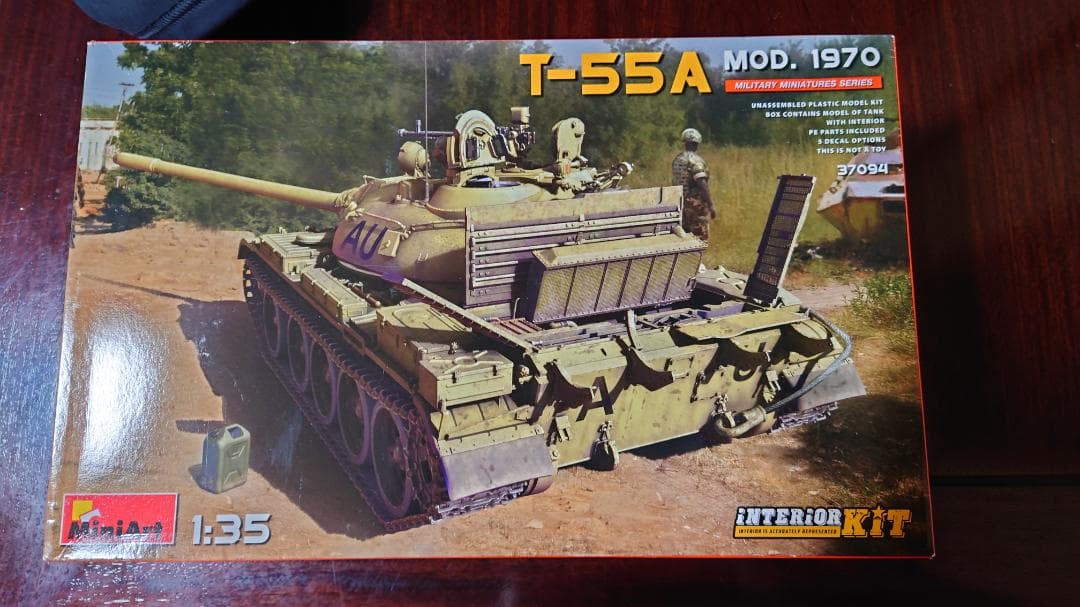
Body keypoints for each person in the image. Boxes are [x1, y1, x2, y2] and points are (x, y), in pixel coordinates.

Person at [671, 128, 716, 241]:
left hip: (680, 203)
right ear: (696, 144)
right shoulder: (696, 161)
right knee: (700, 237)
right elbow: (702, 183)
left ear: (685, 142)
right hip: (695, 205)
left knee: (684, 237)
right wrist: (711, 205)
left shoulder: (678, 159)